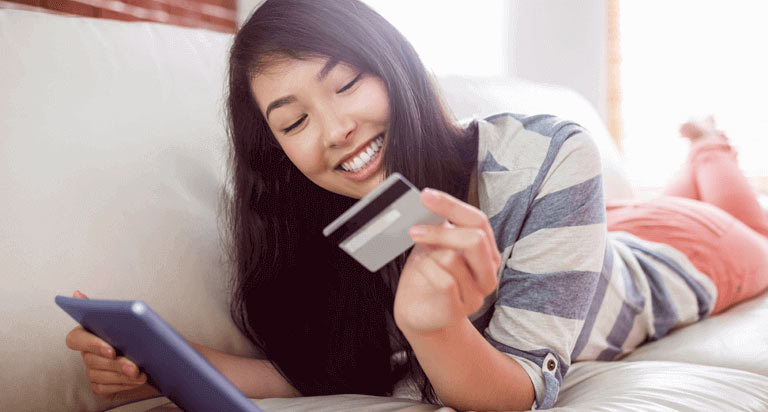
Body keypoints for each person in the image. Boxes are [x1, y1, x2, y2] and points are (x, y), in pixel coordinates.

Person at [63, 1, 768, 410]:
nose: (335, 130)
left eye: (344, 84)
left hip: (685, 257)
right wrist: (166, 362)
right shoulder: (343, 223)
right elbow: (322, 369)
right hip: (598, 233)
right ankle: (696, 160)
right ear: (276, 151)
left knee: (741, 220)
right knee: (634, 210)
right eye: (294, 121)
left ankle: (709, 148)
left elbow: (520, 388)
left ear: (396, 68)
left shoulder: (552, 153)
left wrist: (434, 328)